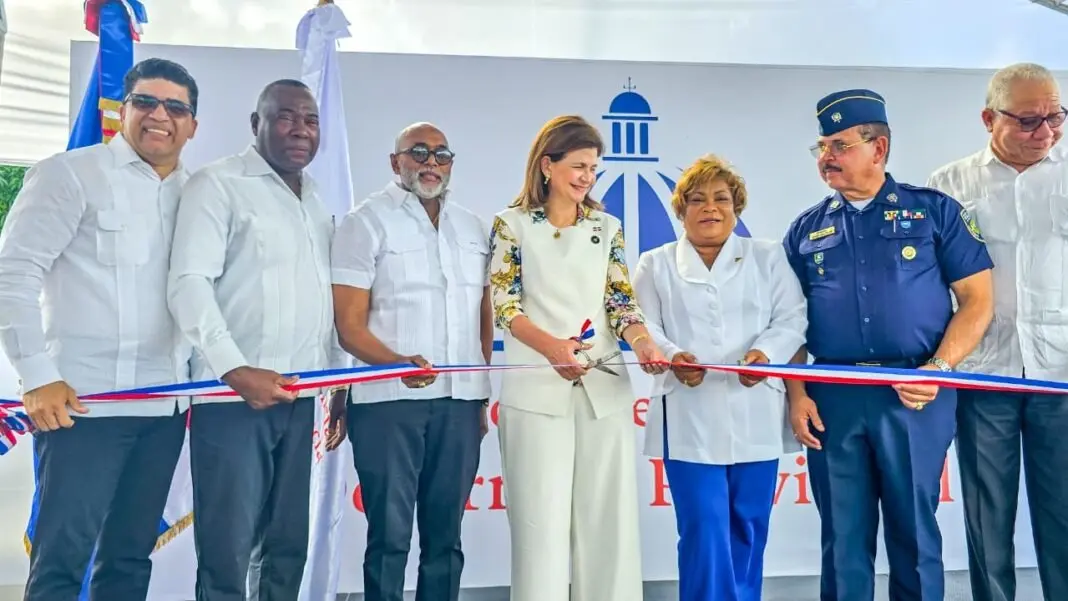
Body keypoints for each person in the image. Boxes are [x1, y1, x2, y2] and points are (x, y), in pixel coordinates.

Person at [782, 89, 995, 601]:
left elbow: (977, 301)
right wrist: (796, 395)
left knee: (914, 532)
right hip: (833, 397)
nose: (826, 158)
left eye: (839, 145)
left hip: (914, 391)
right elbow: (785, 323)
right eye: (821, 148)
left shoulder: (935, 213)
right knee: (842, 536)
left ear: (878, 149)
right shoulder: (805, 230)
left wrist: (938, 368)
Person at [0, 58, 198, 601]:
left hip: (164, 411)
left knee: (130, 561)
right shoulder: (70, 174)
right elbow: (13, 274)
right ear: (122, 110)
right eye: (146, 102)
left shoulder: (200, 194)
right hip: (83, 409)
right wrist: (37, 375)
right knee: (63, 563)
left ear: (192, 125)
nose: (161, 115)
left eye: (176, 107)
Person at [167, 79, 348, 601]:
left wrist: (335, 385)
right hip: (234, 399)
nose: (301, 130)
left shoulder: (315, 199)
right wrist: (233, 368)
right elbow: (188, 283)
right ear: (257, 124)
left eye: (311, 121)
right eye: (287, 117)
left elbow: (323, 301)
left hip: (301, 398)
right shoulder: (218, 184)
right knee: (228, 549)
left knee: (288, 544)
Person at [488, 114, 668, 601]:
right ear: (547, 165)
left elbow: (620, 302)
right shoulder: (512, 225)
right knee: (539, 527)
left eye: (594, 167)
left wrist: (644, 343)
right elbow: (505, 306)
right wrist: (552, 349)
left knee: (608, 524)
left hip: (603, 389)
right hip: (537, 392)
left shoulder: (607, 227)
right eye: (579, 165)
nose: (588, 175)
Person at [327, 122, 492, 601]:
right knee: (390, 538)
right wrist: (397, 362)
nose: (431, 162)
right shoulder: (364, 222)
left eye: (442, 154)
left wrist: (479, 395)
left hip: (459, 405)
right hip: (387, 403)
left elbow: (483, 314)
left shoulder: (472, 226)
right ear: (395, 161)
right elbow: (348, 325)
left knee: (446, 539)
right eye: (418, 152)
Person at [633, 154, 807, 601]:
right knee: (704, 526)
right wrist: (673, 357)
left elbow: (793, 318)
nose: (710, 208)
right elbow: (643, 325)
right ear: (681, 209)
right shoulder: (655, 264)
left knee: (749, 524)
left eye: (721, 199)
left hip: (757, 409)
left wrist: (764, 356)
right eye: (697, 200)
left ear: (737, 206)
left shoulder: (768, 256)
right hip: (688, 413)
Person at [926, 63, 1068, 601]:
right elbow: (934, 285)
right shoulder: (948, 185)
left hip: (1061, 373)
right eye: (1030, 120)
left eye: (1056, 117)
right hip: (986, 373)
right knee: (988, 519)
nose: (1046, 132)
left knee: (1064, 514)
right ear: (989, 118)